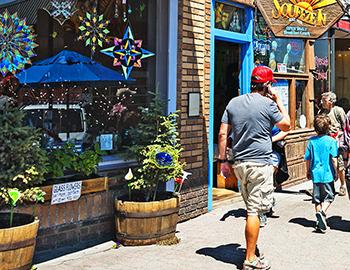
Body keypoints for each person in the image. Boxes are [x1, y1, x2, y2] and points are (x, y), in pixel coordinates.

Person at [218, 66, 290, 270]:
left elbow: (223, 134)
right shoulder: (268, 104)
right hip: (260, 164)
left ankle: (252, 246)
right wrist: (278, 100)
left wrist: (223, 161)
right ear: (267, 85)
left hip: (239, 164)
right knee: (253, 212)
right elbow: (287, 125)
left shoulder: (234, 102)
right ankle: (250, 259)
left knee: (251, 208)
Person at [304, 114, 338, 232]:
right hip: (328, 174)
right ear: (328, 127)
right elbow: (334, 159)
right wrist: (337, 172)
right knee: (329, 197)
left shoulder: (311, 141)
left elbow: (308, 158)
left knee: (317, 199)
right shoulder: (331, 141)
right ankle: (322, 212)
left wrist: (308, 171)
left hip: (316, 174)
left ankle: (319, 222)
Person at [319, 92, 347, 196]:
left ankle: (343, 185)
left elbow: (345, 125)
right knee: (326, 163)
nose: (322, 102)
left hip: (336, 142)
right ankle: (325, 186)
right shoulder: (322, 112)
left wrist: (341, 136)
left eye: (324, 100)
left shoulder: (338, 111)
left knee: (339, 164)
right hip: (326, 141)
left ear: (331, 102)